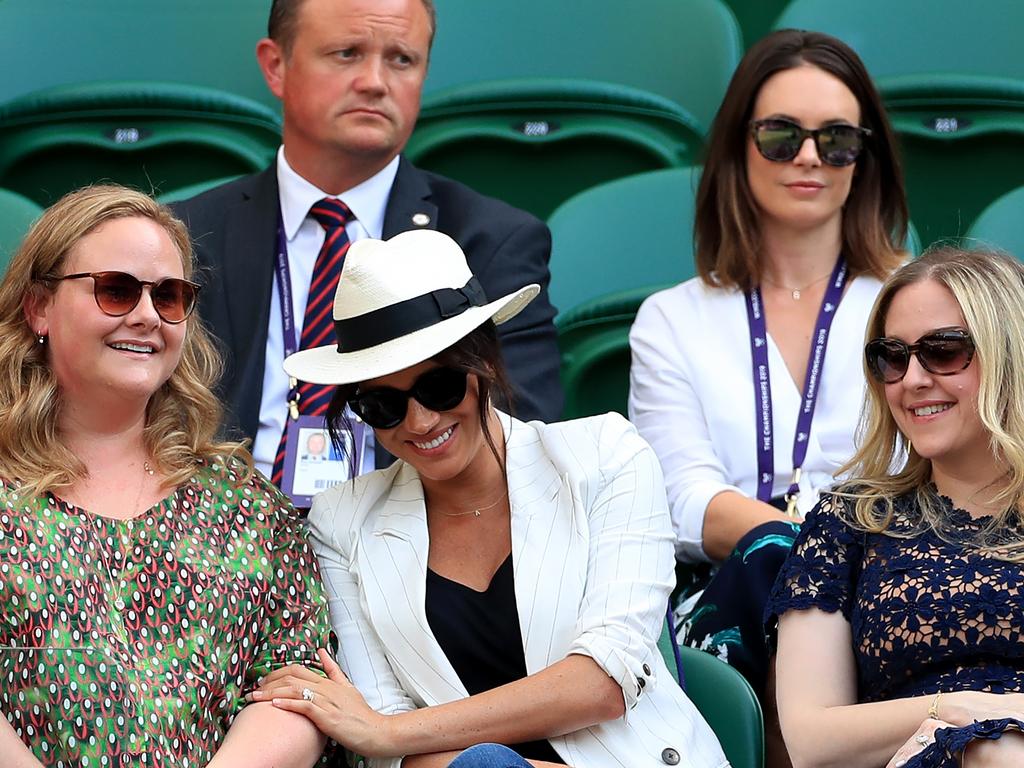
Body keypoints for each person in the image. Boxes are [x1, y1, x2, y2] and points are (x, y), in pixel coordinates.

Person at [246, 229, 728, 768]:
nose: (420, 422)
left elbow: (603, 683)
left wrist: (397, 734)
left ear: (486, 366)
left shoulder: (605, 456)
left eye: (440, 388)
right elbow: (385, 747)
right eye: (383, 405)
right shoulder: (342, 521)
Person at [171, 0, 563, 497]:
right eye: (347, 53)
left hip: (409, 539)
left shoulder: (490, 240)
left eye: (401, 59)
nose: (375, 81)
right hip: (222, 541)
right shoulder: (188, 233)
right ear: (276, 65)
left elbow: (518, 435)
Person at [0, 185, 334, 767]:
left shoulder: (246, 505)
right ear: (39, 308)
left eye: (171, 297)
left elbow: (299, 679)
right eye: (116, 290)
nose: (148, 315)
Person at [628, 29, 908, 696]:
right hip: (731, 593)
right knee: (772, 565)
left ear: (863, 159)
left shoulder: (920, 302)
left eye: (836, 139)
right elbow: (682, 500)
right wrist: (811, 547)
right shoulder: (672, 319)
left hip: (890, 580)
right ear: (738, 147)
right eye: (782, 136)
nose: (809, 157)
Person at [767, 247, 1024, 768]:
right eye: (892, 356)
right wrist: (962, 711)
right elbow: (810, 740)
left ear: (1010, 353)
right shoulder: (850, 520)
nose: (912, 379)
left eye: (944, 351)